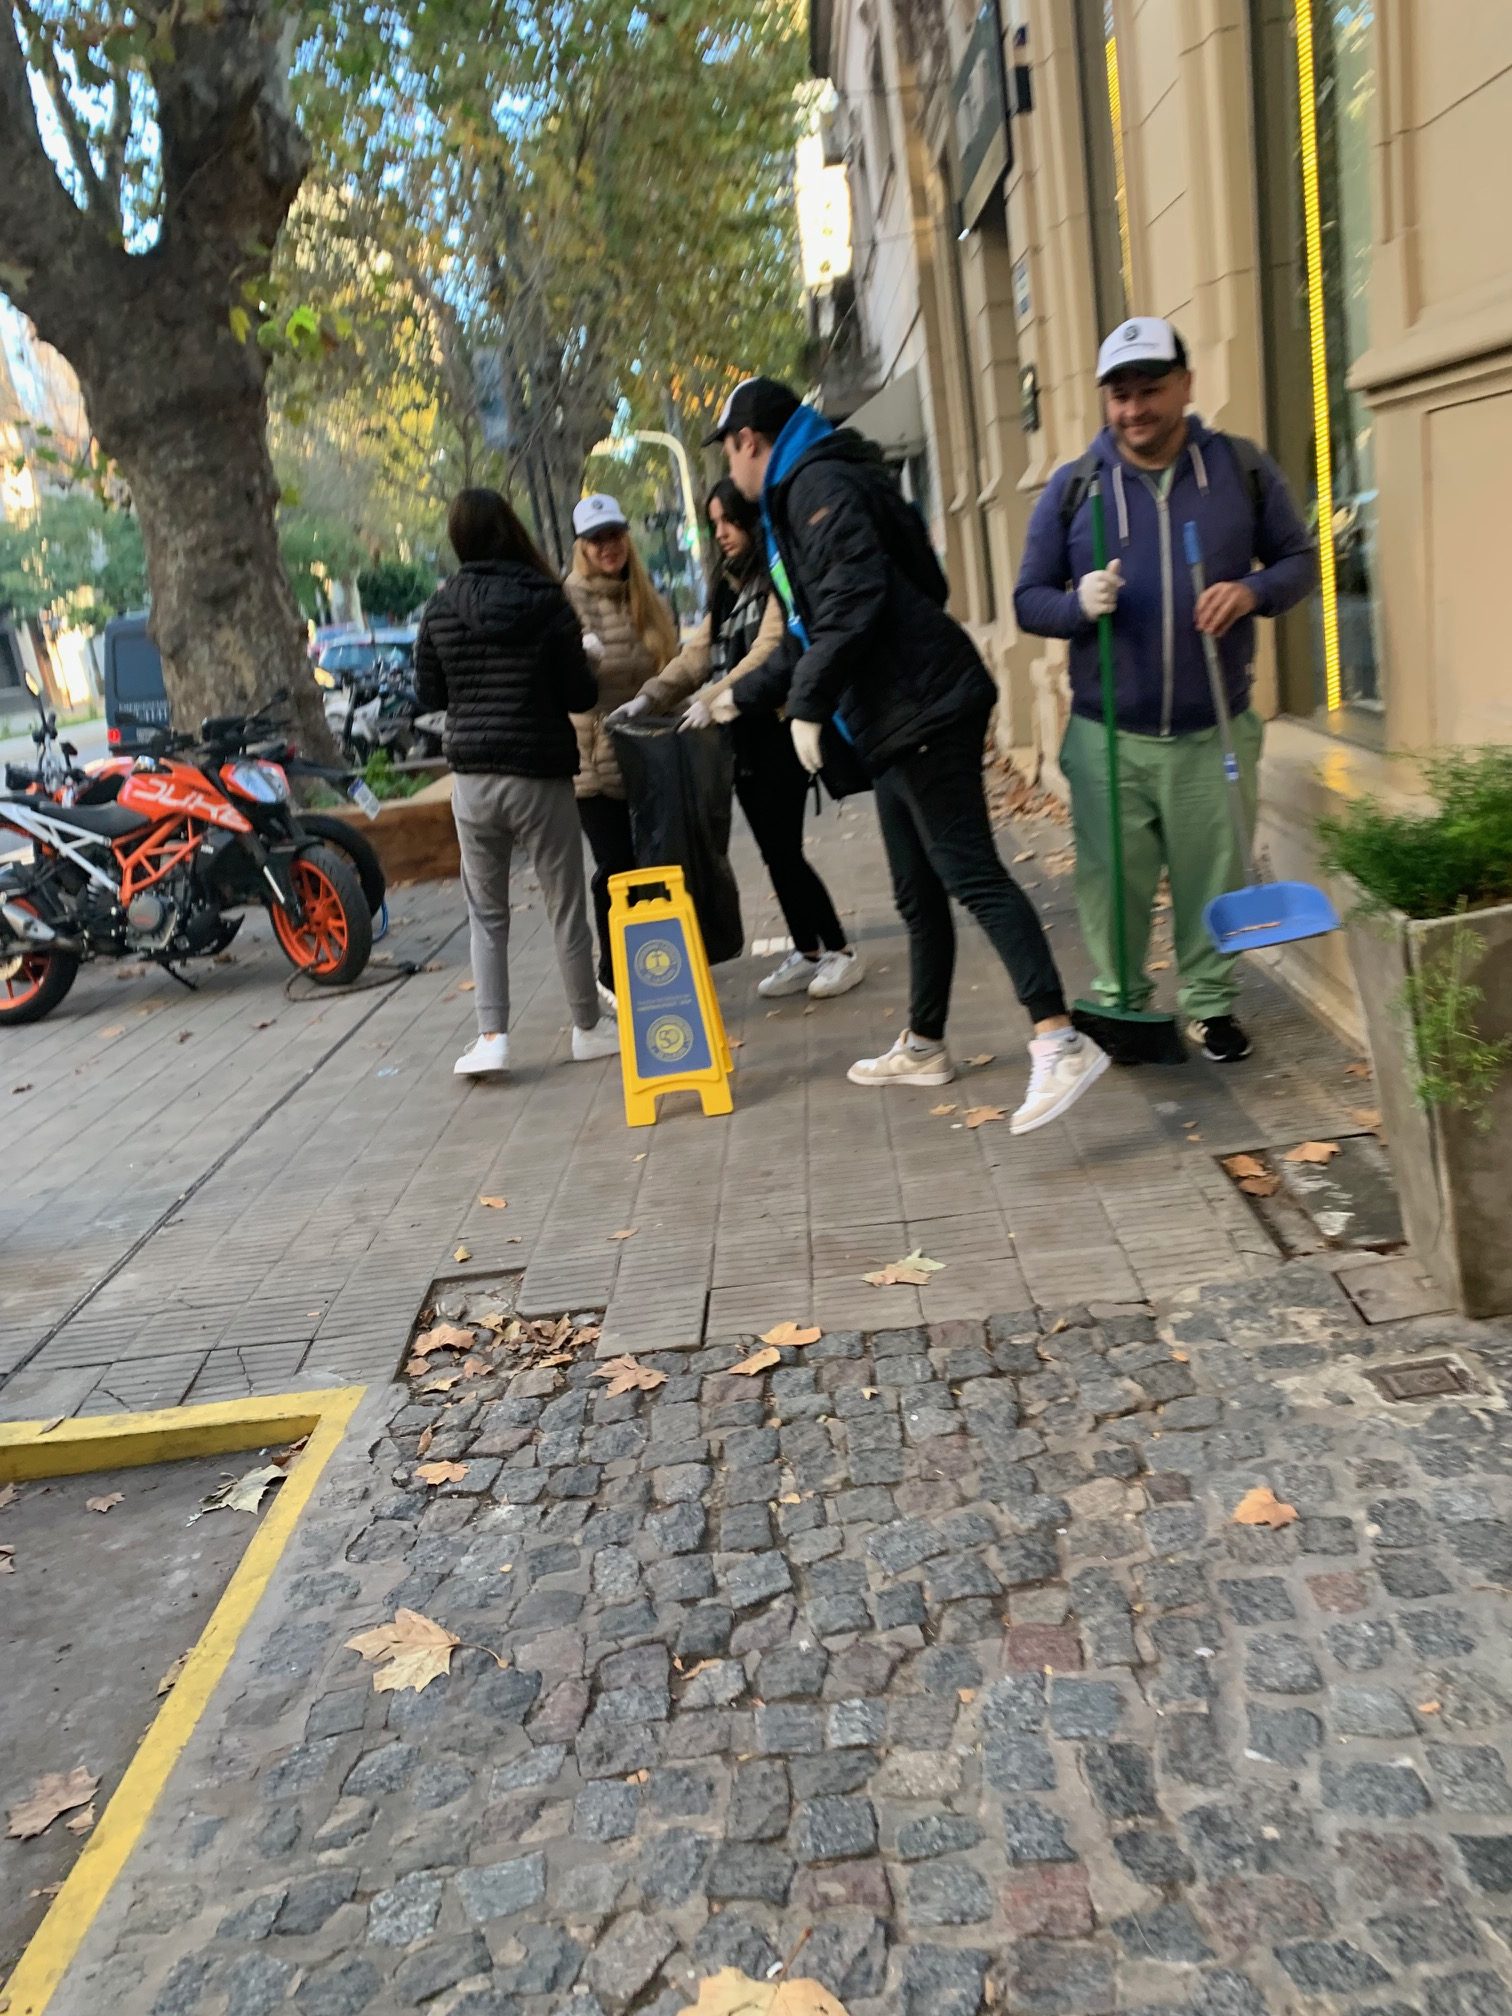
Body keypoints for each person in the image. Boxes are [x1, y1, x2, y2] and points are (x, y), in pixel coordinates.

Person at [710, 376, 1108, 1136]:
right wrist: (739, 694)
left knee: (971, 873)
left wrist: (807, 703)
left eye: (729, 456)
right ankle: (925, 1043)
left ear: (748, 443)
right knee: (917, 892)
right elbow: (813, 625)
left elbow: (853, 598)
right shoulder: (813, 483)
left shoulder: (814, 485)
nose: (730, 474)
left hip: (921, 704)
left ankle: (1058, 1039)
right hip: (895, 714)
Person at [1013, 317, 1316, 1062]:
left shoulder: (1238, 469)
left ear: (1185, 385)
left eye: (1150, 390)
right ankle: (1122, 1007)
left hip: (1213, 724)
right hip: (1107, 731)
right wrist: (1077, 605)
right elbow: (1028, 599)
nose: (1134, 409)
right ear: (1104, 400)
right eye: (1119, 395)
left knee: (1212, 874)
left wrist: (1249, 593)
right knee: (1111, 882)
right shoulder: (1073, 488)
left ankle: (1212, 1006)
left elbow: (1298, 561)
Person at [610, 479, 864, 1001]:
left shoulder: (777, 575)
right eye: (715, 524)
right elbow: (700, 651)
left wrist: (715, 698)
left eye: (729, 521)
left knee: (786, 850)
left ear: (752, 522)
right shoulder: (726, 585)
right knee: (774, 853)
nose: (722, 533)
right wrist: (650, 696)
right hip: (735, 739)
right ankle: (808, 950)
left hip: (775, 730)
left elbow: (769, 652)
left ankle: (839, 951)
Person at [415, 488, 620, 1077]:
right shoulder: (547, 599)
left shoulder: (442, 605)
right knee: (566, 905)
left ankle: (492, 1036)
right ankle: (585, 1026)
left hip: (474, 778)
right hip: (540, 773)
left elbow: (430, 695)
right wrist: (587, 659)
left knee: (487, 912)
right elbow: (579, 696)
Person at [563, 493, 680, 1001]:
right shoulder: (568, 599)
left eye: (614, 535)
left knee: (654, 862)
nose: (608, 547)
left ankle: (657, 964)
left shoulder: (645, 594)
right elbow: (569, 683)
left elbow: (669, 665)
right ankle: (613, 976)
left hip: (648, 753)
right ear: (582, 548)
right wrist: (582, 660)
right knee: (615, 868)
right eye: (596, 539)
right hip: (595, 760)